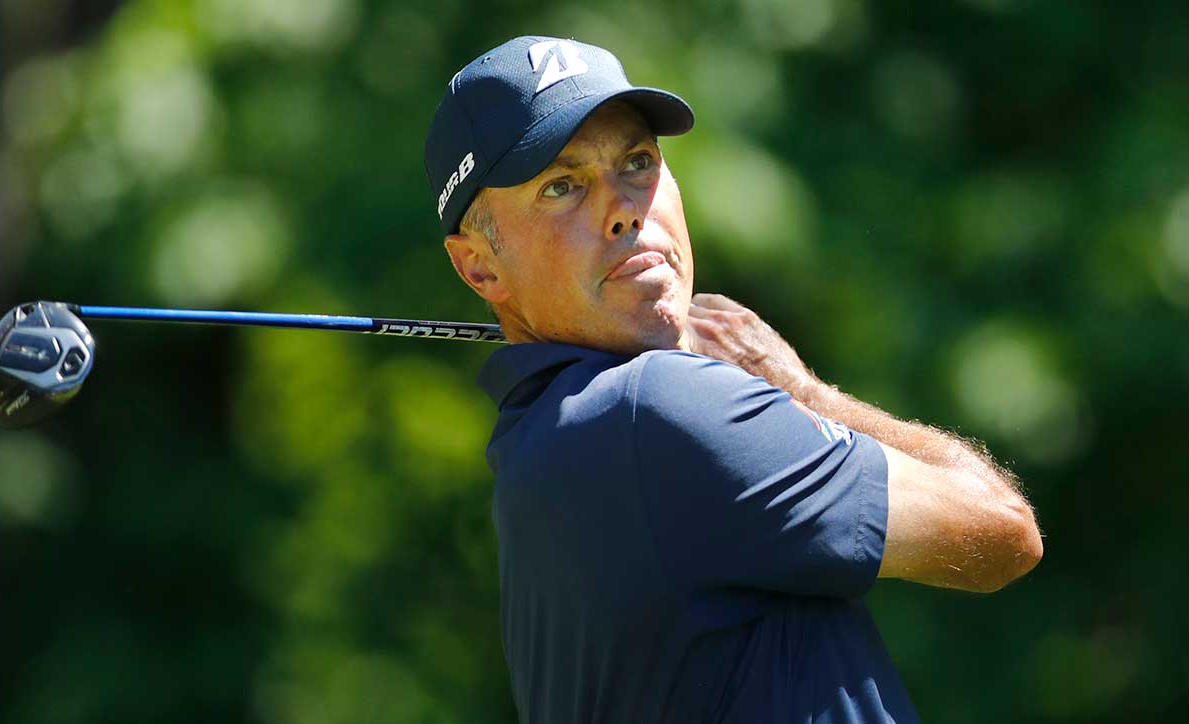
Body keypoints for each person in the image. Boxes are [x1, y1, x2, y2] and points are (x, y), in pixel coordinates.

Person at [424, 36, 1043, 724]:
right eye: (562, 187)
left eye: (638, 162)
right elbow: (1002, 532)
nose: (624, 208)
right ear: (480, 267)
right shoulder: (658, 408)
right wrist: (803, 392)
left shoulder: (540, 443)